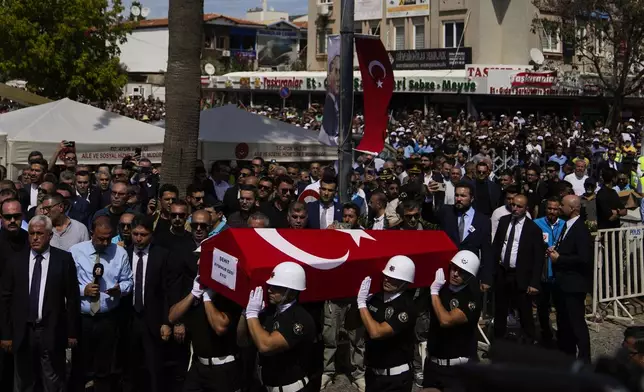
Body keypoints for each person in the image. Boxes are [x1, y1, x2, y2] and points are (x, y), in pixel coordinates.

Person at [1, 215, 79, 392]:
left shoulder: (63, 260)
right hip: (23, 331)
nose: (35, 238)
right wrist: (6, 334)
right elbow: (5, 299)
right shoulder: (15, 261)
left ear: (50, 236)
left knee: (52, 380)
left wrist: (72, 332)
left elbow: (72, 299)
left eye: (39, 233)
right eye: (31, 233)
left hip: (51, 330)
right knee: (24, 381)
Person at [70, 216, 133, 392]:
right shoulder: (75, 252)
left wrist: (120, 289)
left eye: (108, 238)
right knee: (80, 365)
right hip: (83, 319)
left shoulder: (119, 253)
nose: (105, 243)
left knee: (105, 366)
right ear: (92, 234)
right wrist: (84, 290)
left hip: (108, 318)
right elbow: (66, 284)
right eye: (100, 238)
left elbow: (129, 281)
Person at [239, 262, 317, 392]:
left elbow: (265, 346)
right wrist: (245, 313)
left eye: (277, 287)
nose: (270, 290)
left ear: (291, 292)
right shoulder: (270, 312)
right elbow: (242, 341)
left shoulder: (299, 318)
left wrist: (252, 315)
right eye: (271, 285)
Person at [122, 215, 172, 392]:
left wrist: (166, 321)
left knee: (154, 367)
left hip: (152, 319)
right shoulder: (123, 254)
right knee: (129, 367)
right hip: (129, 320)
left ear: (151, 234)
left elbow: (166, 291)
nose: (138, 238)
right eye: (135, 234)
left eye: (143, 234)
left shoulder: (161, 255)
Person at [422, 250, 482, 391]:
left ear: (470, 276)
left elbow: (446, 321)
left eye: (462, 272)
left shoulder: (471, 298)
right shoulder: (442, 287)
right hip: (433, 365)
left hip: (457, 369)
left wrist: (434, 292)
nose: (455, 274)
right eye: (454, 268)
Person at [357, 256, 417, 392]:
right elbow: (354, 324)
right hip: (373, 374)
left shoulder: (406, 307)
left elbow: (376, 332)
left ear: (405, 282)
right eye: (386, 276)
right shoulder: (376, 298)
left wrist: (362, 305)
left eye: (393, 278)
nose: (387, 280)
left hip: (395, 378)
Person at [492, 194, 545, 344]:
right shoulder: (503, 222)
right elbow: (496, 247)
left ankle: (528, 343)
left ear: (526, 209)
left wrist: (534, 282)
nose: (515, 208)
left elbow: (538, 257)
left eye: (519, 206)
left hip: (521, 275)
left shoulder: (533, 229)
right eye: (513, 205)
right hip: (503, 272)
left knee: (524, 311)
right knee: (500, 310)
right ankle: (498, 344)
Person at [547, 195, 592, 363]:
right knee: (564, 322)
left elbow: (584, 258)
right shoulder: (567, 225)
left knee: (576, 323)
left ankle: (584, 360)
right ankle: (567, 355)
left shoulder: (580, 229)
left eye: (563, 205)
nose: (559, 208)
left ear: (572, 208)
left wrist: (560, 259)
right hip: (562, 283)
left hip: (574, 285)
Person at [433, 181, 494, 292]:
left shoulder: (483, 221)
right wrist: (428, 197)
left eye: (463, 196)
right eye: (456, 195)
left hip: (469, 274)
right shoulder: (447, 212)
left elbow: (487, 251)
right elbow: (429, 215)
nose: (458, 199)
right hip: (448, 271)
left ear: (472, 198)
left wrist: (486, 279)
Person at [533, 197, 565, 345]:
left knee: (560, 306)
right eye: (549, 208)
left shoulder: (565, 225)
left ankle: (562, 335)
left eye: (555, 208)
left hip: (559, 273)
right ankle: (545, 333)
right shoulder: (536, 224)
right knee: (543, 306)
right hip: (543, 272)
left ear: (560, 209)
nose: (552, 211)